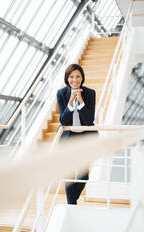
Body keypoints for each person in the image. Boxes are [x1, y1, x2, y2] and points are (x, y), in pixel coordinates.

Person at [56, 63, 97, 205]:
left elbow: (89, 119)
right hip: (69, 137)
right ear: (67, 78)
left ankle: (72, 201)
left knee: (83, 175)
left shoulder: (90, 93)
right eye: (71, 76)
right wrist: (70, 102)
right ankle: (71, 205)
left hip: (85, 137)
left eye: (78, 76)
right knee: (68, 173)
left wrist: (80, 100)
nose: (75, 79)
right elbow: (63, 120)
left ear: (82, 78)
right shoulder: (61, 93)